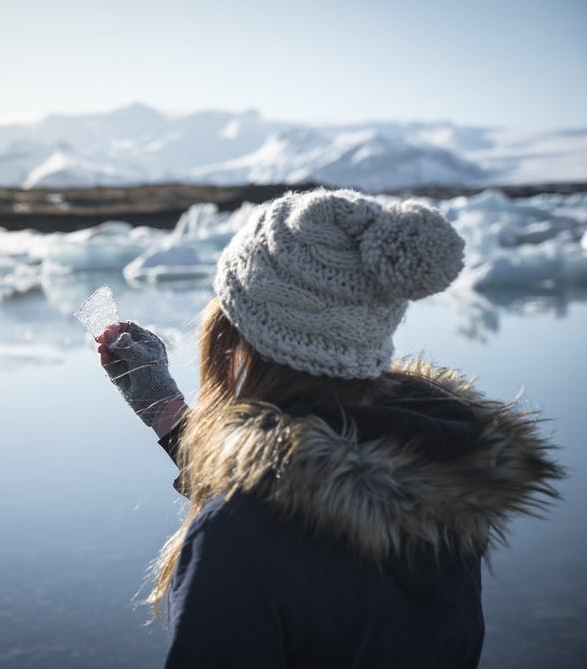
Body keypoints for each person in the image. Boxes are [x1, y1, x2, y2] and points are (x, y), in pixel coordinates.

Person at [96, 188, 564, 668]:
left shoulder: (238, 539)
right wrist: (163, 407)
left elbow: (277, 506)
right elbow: (305, 482)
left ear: (238, 337)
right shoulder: (442, 467)